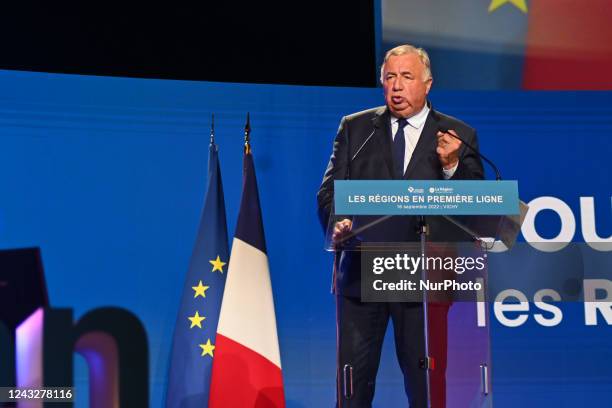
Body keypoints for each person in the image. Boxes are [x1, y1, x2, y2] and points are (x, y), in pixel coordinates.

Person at [317, 44, 484, 407]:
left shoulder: (457, 135)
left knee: (425, 385)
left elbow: (476, 210)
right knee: (353, 385)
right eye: (389, 77)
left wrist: (452, 167)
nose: (396, 86)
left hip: (423, 278)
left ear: (427, 84)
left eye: (406, 77)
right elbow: (329, 191)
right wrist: (338, 222)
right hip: (363, 271)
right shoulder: (356, 128)